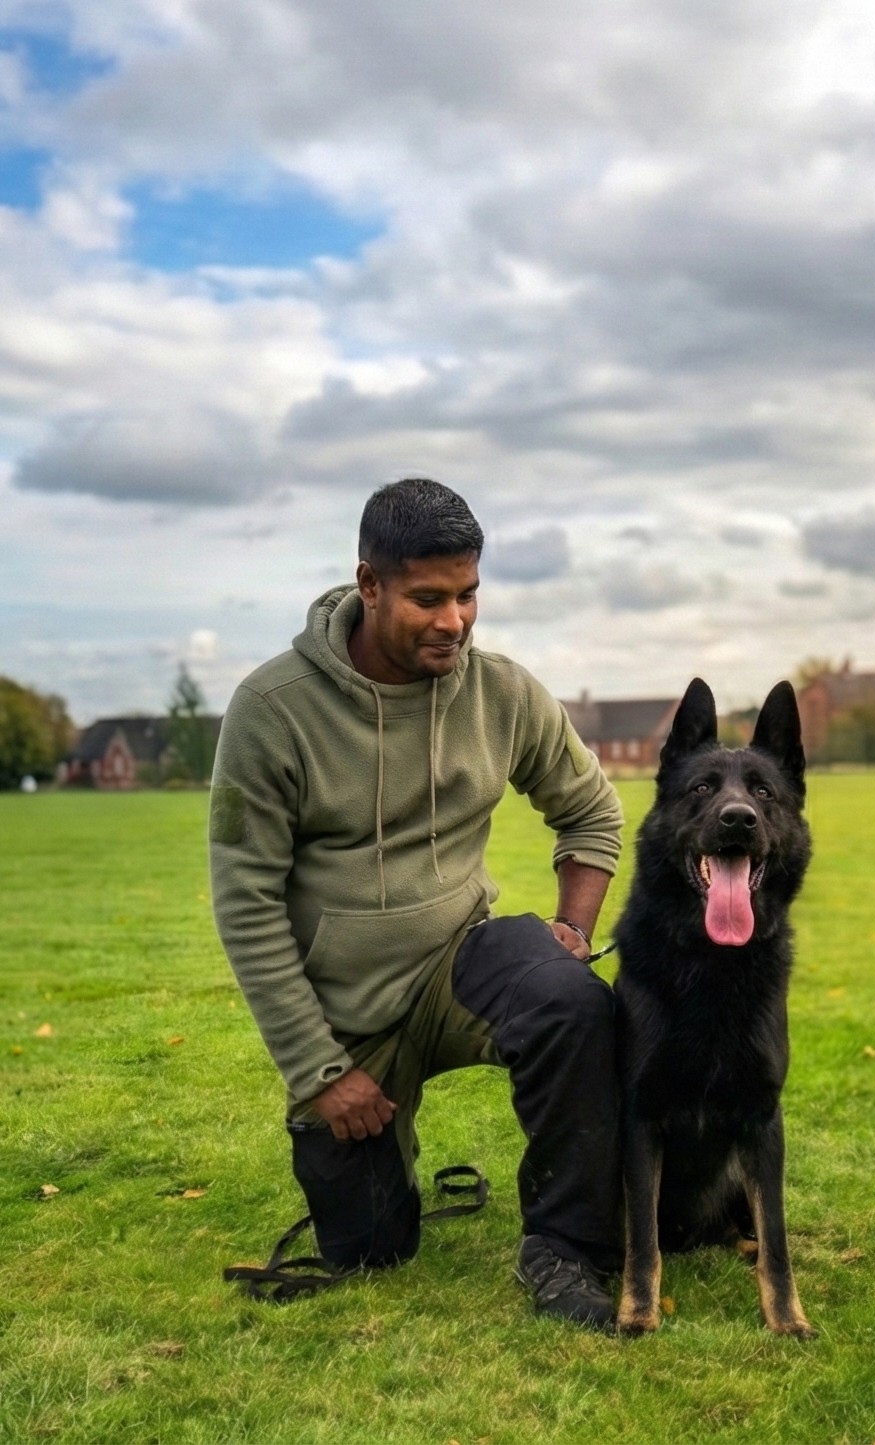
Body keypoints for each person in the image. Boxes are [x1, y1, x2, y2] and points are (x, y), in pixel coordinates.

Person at [209, 477, 625, 1328]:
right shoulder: (270, 709)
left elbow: (591, 810)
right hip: (347, 1014)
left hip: (460, 961)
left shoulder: (502, 691)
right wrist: (322, 1073)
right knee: (368, 1250)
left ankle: (566, 1247)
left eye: (468, 595)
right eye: (427, 598)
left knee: (572, 1003)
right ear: (369, 585)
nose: (454, 621)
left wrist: (573, 929)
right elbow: (245, 904)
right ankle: (382, 1177)